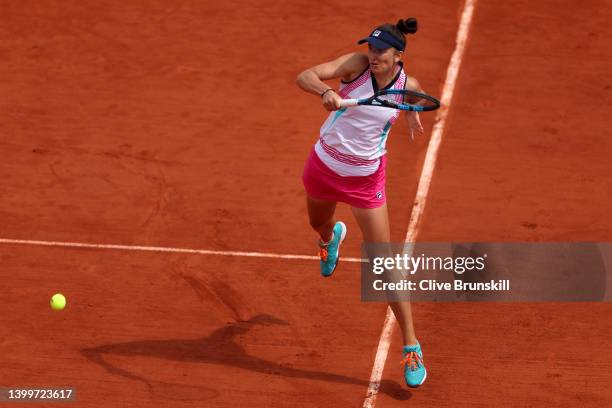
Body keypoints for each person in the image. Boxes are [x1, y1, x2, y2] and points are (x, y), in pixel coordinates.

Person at [296, 18, 427, 388]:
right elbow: (305, 75)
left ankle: (411, 346)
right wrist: (323, 92)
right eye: (370, 48)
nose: (373, 56)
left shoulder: (407, 87)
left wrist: (413, 116)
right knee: (316, 224)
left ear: (398, 56)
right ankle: (330, 238)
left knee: (384, 263)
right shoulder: (355, 66)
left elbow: (419, 100)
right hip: (324, 166)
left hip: (367, 179)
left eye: (381, 51)